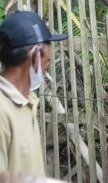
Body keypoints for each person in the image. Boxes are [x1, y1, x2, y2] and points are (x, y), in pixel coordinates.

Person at [0, 11, 67, 177]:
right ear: (35, 56)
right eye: (48, 61)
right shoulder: (2, 110)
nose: (46, 69)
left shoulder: (27, 101)